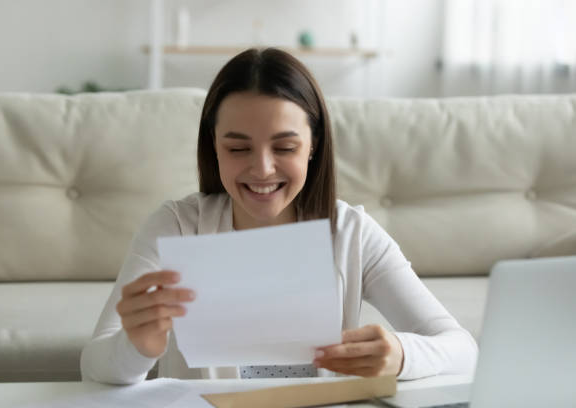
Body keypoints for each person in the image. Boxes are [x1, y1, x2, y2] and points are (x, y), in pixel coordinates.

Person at [80, 47, 478, 384]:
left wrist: (401, 355)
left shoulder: (352, 234)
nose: (263, 169)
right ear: (214, 147)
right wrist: (136, 347)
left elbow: (462, 347)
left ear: (313, 146)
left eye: (284, 147)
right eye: (238, 149)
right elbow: (93, 366)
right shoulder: (176, 227)